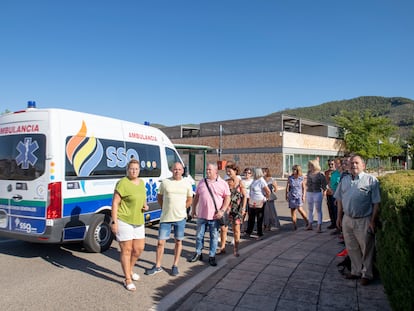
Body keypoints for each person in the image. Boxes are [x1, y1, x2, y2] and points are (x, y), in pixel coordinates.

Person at [335, 155, 380, 286]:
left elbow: (376, 202)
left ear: (363, 165)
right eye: (351, 163)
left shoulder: (371, 180)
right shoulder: (344, 180)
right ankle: (356, 271)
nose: (354, 165)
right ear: (348, 166)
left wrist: (372, 221)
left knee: (367, 248)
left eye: (357, 163)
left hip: (364, 220)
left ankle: (367, 274)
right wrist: (339, 217)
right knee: (351, 247)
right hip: (347, 219)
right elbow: (339, 199)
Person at [145, 162, 193, 277]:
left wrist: (182, 209)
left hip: (180, 218)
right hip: (166, 218)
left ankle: (175, 265)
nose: (177, 171)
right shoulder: (165, 182)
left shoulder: (187, 183)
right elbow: (159, 197)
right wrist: (164, 208)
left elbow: (190, 199)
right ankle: (157, 266)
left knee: (178, 241)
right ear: (171, 170)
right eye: (175, 169)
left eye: (179, 169)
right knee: (160, 242)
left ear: (182, 171)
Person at [111, 158, 149, 291]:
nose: (134, 171)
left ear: (139, 170)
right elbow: (115, 203)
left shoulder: (141, 182)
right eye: (132, 169)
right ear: (128, 170)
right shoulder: (122, 183)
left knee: (138, 249)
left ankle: (130, 270)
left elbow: (142, 197)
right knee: (126, 250)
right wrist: (114, 222)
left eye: (136, 169)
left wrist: (145, 206)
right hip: (124, 220)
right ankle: (127, 278)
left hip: (138, 220)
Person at [189, 163, 231, 266]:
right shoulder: (202, 182)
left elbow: (227, 198)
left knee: (214, 236)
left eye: (209, 170)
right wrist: (193, 209)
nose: (207, 171)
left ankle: (212, 256)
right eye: (207, 169)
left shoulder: (223, 183)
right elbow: (196, 197)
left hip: (215, 216)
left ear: (216, 171)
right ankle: (198, 253)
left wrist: (222, 210)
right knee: (199, 236)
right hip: (202, 215)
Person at [217, 163, 246, 257]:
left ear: (235, 171)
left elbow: (245, 196)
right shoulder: (226, 182)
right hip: (227, 208)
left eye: (230, 171)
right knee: (223, 228)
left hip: (237, 209)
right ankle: (222, 248)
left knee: (236, 229)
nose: (228, 173)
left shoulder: (240, 182)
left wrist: (244, 208)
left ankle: (236, 249)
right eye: (227, 171)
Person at [244, 168, 270, 240]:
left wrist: (265, 198)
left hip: (259, 201)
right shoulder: (254, 180)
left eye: (253, 172)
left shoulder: (261, 181)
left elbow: (268, 191)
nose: (252, 174)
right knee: (251, 217)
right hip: (252, 201)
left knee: (259, 218)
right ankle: (249, 232)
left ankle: (259, 234)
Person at [305, 159, 327, 233]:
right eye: (309, 165)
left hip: (317, 193)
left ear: (315, 166)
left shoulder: (320, 175)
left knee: (318, 210)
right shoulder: (308, 173)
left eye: (312, 165)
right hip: (309, 192)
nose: (310, 167)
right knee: (310, 209)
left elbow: (324, 185)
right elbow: (306, 182)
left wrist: (324, 192)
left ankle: (319, 226)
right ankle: (310, 224)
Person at [285, 164, 309, 230]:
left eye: (295, 169)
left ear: (298, 170)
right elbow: (287, 187)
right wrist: (286, 194)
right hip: (292, 195)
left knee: (300, 209)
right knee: (293, 210)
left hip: (299, 195)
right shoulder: (290, 178)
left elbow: (304, 187)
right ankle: (295, 225)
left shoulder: (301, 178)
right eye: (293, 169)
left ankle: (307, 221)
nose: (294, 171)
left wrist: (303, 196)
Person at [325, 159, 337, 229]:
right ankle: (332, 223)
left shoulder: (337, 172)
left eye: (332, 164)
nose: (330, 166)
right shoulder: (326, 172)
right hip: (328, 192)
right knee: (330, 208)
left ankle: (337, 224)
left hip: (335, 193)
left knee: (335, 209)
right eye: (329, 164)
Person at [241, 167, 253, 233]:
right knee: (243, 212)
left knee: (250, 213)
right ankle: (243, 226)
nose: (247, 174)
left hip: (251, 198)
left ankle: (249, 227)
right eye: (245, 173)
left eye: (249, 173)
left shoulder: (253, 181)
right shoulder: (242, 181)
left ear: (251, 174)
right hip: (244, 198)